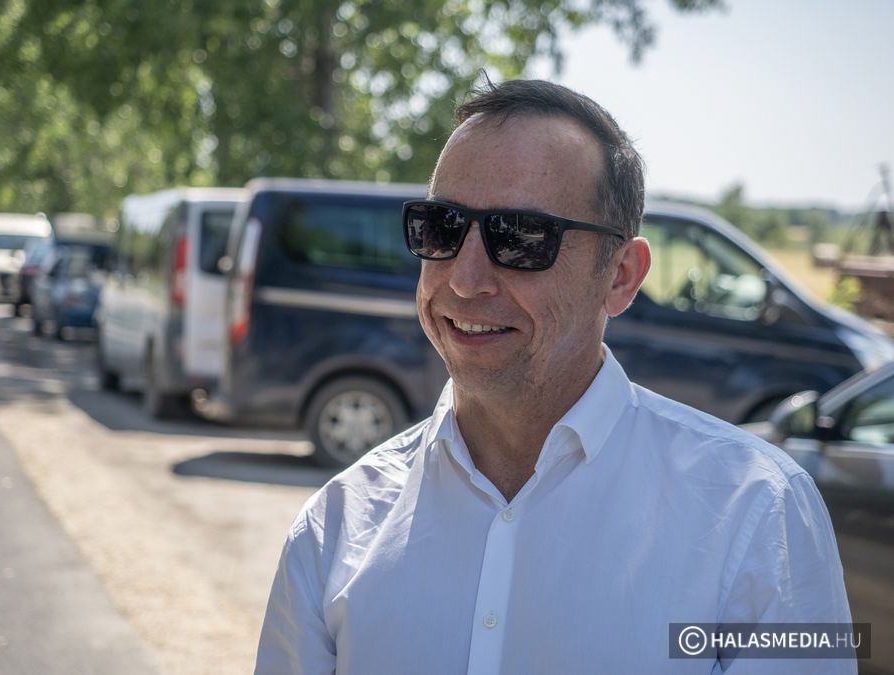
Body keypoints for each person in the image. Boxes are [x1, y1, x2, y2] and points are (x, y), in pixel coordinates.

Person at [255, 78, 854, 674]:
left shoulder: (759, 511)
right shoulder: (334, 526)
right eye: (441, 227)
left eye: (520, 237)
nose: (465, 278)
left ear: (621, 275)